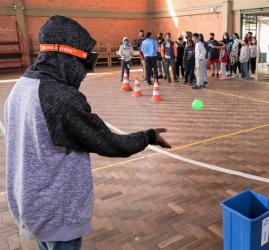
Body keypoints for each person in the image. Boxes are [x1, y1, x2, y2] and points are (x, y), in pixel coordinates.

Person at [4, 15, 171, 250]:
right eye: (84, 61)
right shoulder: (60, 98)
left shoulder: (21, 86)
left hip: (31, 204)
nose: (85, 71)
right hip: (57, 212)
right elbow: (109, 143)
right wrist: (148, 136)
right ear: (66, 56)